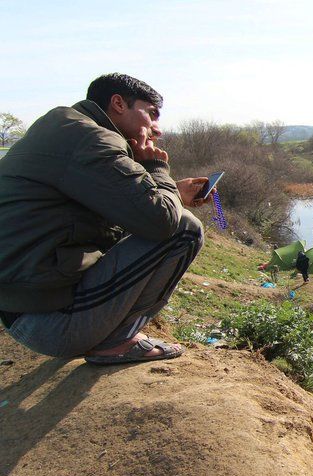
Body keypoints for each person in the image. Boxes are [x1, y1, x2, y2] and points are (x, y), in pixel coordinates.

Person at [0, 73, 210, 364]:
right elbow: (161, 221)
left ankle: (107, 334)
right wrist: (157, 168)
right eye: (151, 114)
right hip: (51, 323)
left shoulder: (68, 129)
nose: (157, 129)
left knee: (161, 220)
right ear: (118, 103)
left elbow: (125, 209)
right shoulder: (93, 140)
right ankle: (116, 340)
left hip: (26, 309)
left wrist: (171, 191)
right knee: (186, 229)